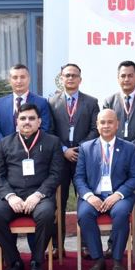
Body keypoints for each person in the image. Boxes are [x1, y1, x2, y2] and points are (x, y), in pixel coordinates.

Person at [0, 104, 64, 270]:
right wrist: (10, 196)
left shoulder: (52, 142)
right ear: (17, 121)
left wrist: (38, 195)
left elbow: (56, 174)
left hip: (40, 196)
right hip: (12, 196)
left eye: (31, 118)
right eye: (23, 118)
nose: (27, 122)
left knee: (46, 215)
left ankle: (37, 261)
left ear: (39, 121)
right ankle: (14, 262)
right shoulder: (4, 143)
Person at [73, 110, 135, 270]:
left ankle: (117, 259)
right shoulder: (86, 148)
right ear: (97, 125)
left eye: (110, 122)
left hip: (118, 196)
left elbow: (134, 177)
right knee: (84, 214)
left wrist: (118, 195)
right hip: (93, 196)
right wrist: (89, 196)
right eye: (102, 122)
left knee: (121, 214)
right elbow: (79, 178)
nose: (106, 126)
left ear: (117, 125)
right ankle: (98, 260)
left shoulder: (129, 148)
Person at [101, 61, 135, 260]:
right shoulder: (109, 101)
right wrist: (120, 150)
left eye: (130, 75)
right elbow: (105, 129)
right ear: (118, 78)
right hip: (113, 161)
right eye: (123, 76)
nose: (126, 79)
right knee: (115, 201)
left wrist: (129, 148)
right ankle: (113, 243)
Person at [48, 63, 99, 254]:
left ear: (80, 79)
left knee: (85, 201)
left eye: (74, 75)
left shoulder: (91, 102)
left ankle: (87, 245)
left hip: (83, 158)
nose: (70, 78)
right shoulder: (51, 102)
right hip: (59, 159)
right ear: (61, 79)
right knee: (57, 203)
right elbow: (49, 131)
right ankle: (57, 246)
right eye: (67, 75)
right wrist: (64, 149)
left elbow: (95, 129)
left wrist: (81, 149)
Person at [0, 63, 52, 141]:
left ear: (29, 79)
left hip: (33, 147)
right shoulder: (0, 104)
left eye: (22, 77)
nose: (19, 81)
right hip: (5, 147)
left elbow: (44, 129)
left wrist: (28, 145)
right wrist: (6, 146)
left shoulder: (41, 102)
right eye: (15, 77)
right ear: (9, 81)